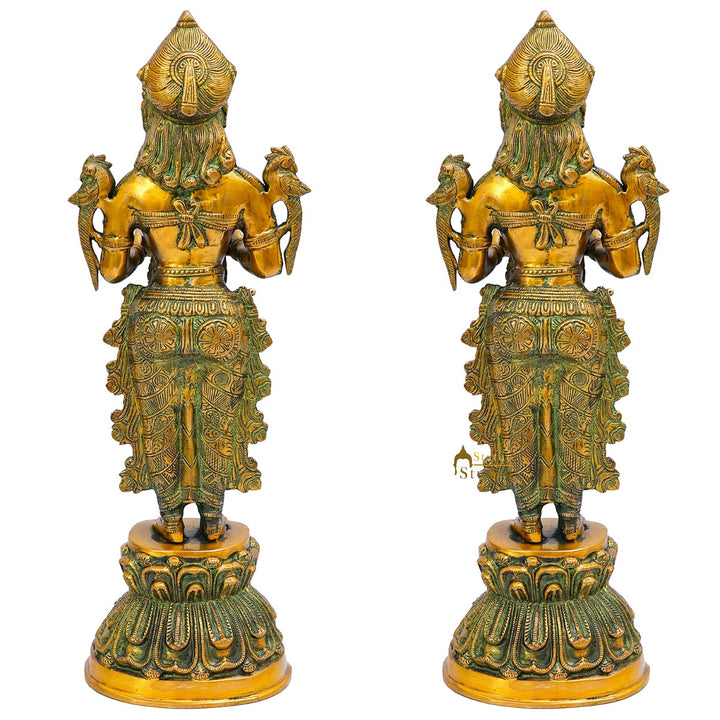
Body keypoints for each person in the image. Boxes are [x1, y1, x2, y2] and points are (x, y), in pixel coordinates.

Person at [71, 12, 308, 543]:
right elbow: (267, 266)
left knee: (162, 420)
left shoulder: (135, 189)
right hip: (217, 317)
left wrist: (126, 234)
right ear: (221, 115)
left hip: (157, 316)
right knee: (216, 420)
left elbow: (113, 271)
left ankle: (172, 522)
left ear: (148, 115)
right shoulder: (240, 188)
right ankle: (214, 519)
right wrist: (259, 221)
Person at [430, 12, 664, 542]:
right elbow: (625, 266)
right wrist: (615, 222)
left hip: (515, 317)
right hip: (576, 316)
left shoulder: (493, 190)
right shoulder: (598, 189)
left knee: (520, 419)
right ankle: (573, 518)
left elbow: (471, 271)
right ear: (579, 116)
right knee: (575, 419)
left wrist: (477, 226)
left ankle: (530, 521)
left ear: (507, 116)